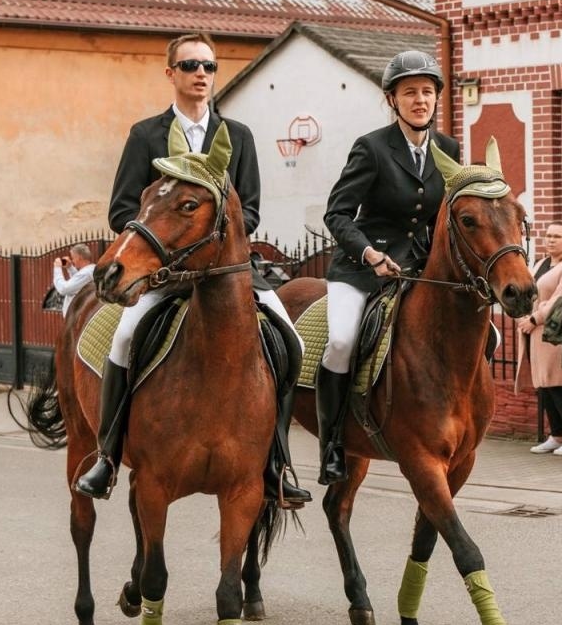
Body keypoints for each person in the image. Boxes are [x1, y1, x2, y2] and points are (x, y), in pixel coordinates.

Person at [77, 32, 310, 508]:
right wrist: (162, 257)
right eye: (189, 66)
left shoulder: (238, 137)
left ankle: (278, 461)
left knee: (291, 339)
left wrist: (216, 249)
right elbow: (124, 208)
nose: (201, 74)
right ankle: (106, 455)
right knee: (122, 339)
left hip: (223, 272)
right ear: (171, 74)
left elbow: (250, 213)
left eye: (208, 66)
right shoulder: (145, 135)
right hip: (163, 274)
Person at [317, 50, 455, 485]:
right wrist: (369, 254)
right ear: (392, 100)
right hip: (364, 268)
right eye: (410, 92)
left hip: (420, 269)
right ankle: (333, 444)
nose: (420, 100)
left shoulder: (448, 150)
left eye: (427, 92)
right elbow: (337, 214)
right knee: (340, 341)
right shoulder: (372, 148)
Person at [520, 222, 562, 456]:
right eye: (548, 236)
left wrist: (535, 318)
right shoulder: (542, 263)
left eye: (557, 236)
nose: (550, 240)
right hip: (535, 333)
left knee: (558, 384)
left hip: (555, 334)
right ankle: (556, 435)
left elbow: (561, 300)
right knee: (543, 386)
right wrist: (525, 315)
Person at [52, 244, 96, 312]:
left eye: (73, 258)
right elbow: (77, 284)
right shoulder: (89, 270)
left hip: (79, 317)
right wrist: (70, 267)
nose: (72, 261)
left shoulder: (86, 273)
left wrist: (57, 268)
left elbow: (63, 289)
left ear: (79, 257)